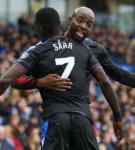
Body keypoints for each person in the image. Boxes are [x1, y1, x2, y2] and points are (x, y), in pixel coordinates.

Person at [0, 7, 123, 150]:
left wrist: (38, 82)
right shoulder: (83, 48)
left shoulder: (38, 51)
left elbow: (7, 80)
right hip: (83, 120)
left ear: (39, 28)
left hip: (55, 119)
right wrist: (118, 118)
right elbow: (105, 81)